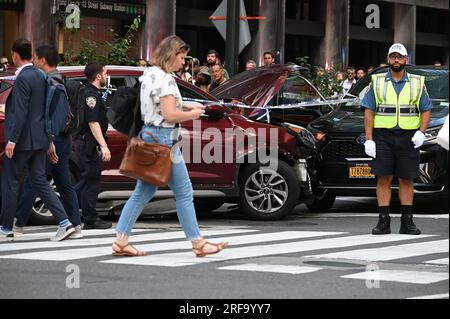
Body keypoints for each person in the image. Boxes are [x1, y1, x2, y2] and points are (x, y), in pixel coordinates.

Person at [112, 35, 228, 257]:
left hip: (150, 135)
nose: (183, 62)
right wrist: (192, 114)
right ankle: (197, 243)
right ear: (170, 55)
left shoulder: (150, 74)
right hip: (164, 140)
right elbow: (169, 114)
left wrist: (186, 103)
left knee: (142, 193)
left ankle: (121, 240)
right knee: (184, 193)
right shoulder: (166, 80)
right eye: (181, 57)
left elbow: (159, 104)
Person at [0, 39, 75, 241]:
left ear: (15, 55)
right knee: (40, 181)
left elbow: (20, 111)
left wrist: (12, 140)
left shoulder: (23, 78)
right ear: (31, 56)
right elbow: (46, 110)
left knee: (11, 180)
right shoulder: (41, 75)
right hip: (40, 139)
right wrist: (49, 139)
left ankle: (6, 227)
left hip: (23, 140)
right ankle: (64, 222)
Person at [361, 43, 432, 235]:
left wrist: (422, 132)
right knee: (383, 178)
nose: (396, 60)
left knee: (406, 179)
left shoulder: (417, 82)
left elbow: (426, 109)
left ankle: (407, 222)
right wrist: (369, 139)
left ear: (406, 60)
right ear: (388, 59)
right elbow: (369, 112)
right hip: (383, 136)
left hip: (409, 137)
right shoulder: (376, 81)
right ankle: (383, 222)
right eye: (393, 56)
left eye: (399, 56)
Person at [74, 62, 112, 229]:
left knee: (87, 179)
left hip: (87, 143)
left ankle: (68, 209)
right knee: (91, 180)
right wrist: (103, 145)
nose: (106, 76)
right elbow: (93, 122)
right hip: (88, 143)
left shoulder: (93, 92)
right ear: (98, 76)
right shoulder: (91, 95)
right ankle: (89, 218)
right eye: (105, 73)